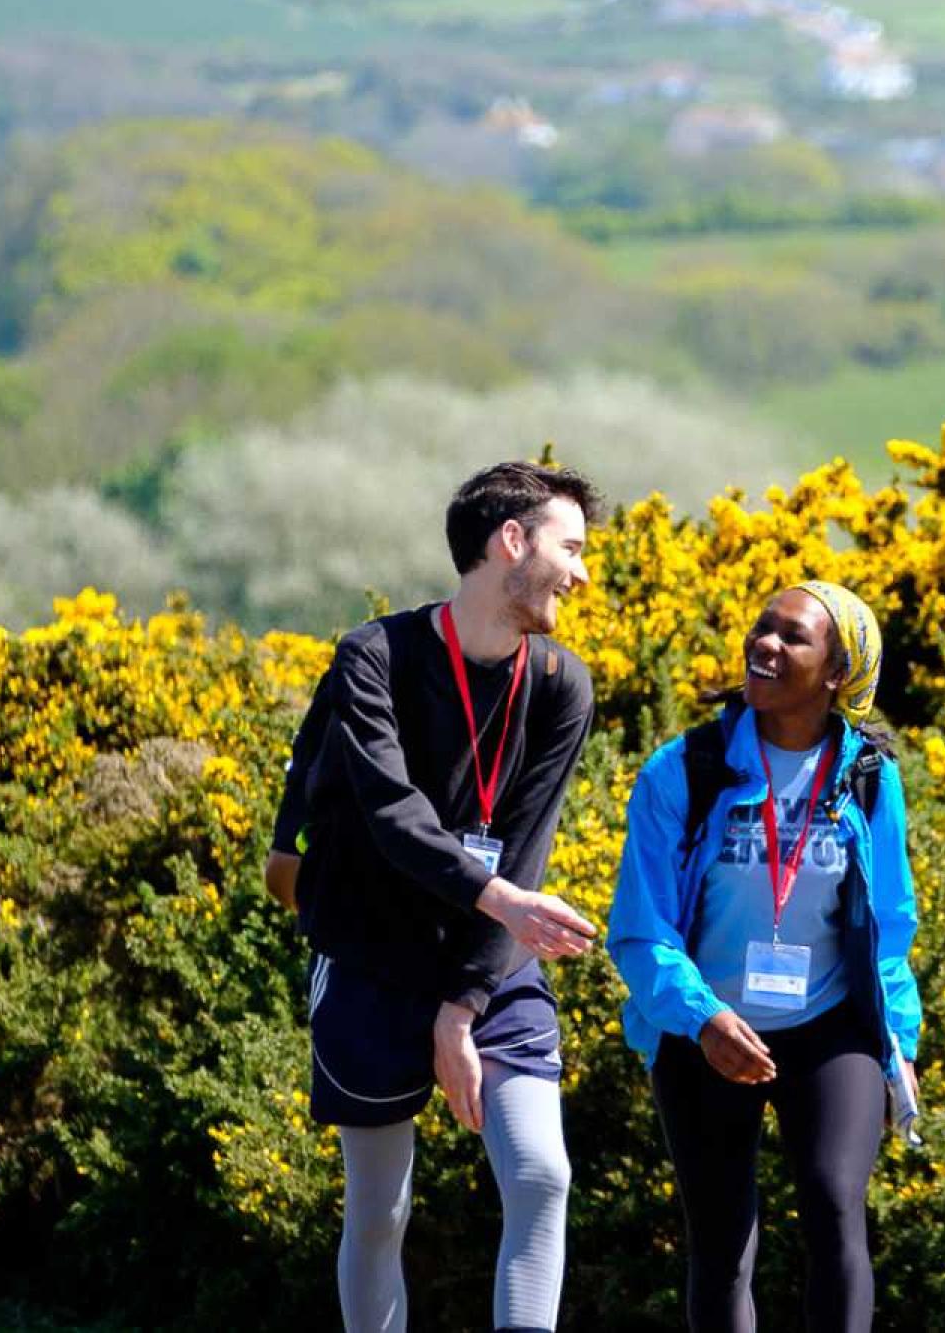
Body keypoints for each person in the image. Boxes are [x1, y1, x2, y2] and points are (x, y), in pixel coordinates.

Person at [265, 461, 605, 1333]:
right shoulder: (373, 656)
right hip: (372, 958)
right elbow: (390, 816)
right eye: (570, 547)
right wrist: (499, 899)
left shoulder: (562, 684)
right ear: (511, 541)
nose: (582, 571)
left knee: (540, 1175)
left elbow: (525, 848)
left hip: (491, 958)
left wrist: (466, 999)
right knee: (382, 1208)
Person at [609, 582, 924, 1333]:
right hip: (705, 1031)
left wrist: (897, 1044)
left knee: (832, 1200)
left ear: (838, 673)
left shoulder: (869, 778)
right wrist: (703, 1018)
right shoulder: (682, 769)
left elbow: (889, 925)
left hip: (828, 1028)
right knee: (722, 1246)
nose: (766, 645)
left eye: (793, 638)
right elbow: (640, 929)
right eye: (762, 629)